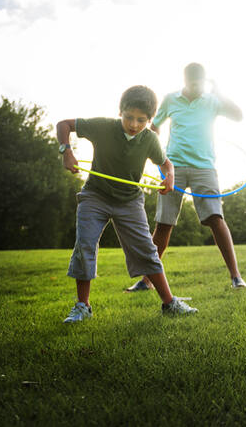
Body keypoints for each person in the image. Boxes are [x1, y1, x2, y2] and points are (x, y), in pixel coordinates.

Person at [56, 85, 197, 323]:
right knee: (85, 245)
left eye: (141, 120)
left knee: (147, 250)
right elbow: (64, 125)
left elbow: (166, 164)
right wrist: (66, 150)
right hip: (95, 195)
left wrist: (169, 177)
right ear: (120, 111)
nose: (134, 124)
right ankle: (83, 306)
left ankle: (170, 303)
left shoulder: (149, 139)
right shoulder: (103, 126)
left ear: (150, 120)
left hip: (130, 201)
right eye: (129, 117)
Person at [126, 63, 246, 292]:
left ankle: (236, 276)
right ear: (185, 81)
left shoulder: (212, 100)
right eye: (193, 84)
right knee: (164, 223)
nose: (197, 88)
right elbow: (155, 125)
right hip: (174, 167)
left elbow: (239, 116)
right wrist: (156, 152)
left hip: (205, 167)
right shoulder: (171, 99)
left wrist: (219, 92)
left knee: (216, 218)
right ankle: (146, 280)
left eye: (201, 84)